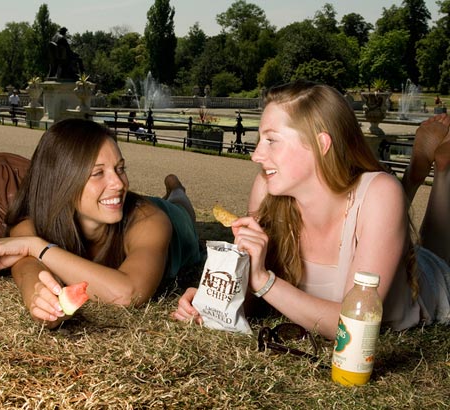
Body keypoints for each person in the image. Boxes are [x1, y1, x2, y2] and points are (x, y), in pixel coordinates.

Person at [173, 80, 450, 340]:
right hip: (385, 228)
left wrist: (263, 280)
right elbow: (258, 299)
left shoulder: (380, 194)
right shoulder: (266, 188)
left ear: (321, 145)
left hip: (424, 285)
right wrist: (214, 301)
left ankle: (440, 172)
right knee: (398, 217)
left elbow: (351, 326)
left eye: (271, 140)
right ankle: (417, 176)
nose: (256, 155)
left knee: (435, 254)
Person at [0, 118, 202, 328]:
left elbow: (128, 293)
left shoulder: (151, 220)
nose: (119, 183)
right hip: (111, 205)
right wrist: (38, 298)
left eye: (120, 169)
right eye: (98, 173)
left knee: (182, 207)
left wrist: (35, 247)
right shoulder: (30, 224)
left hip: (172, 222)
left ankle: (175, 186)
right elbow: (27, 267)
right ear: (61, 182)